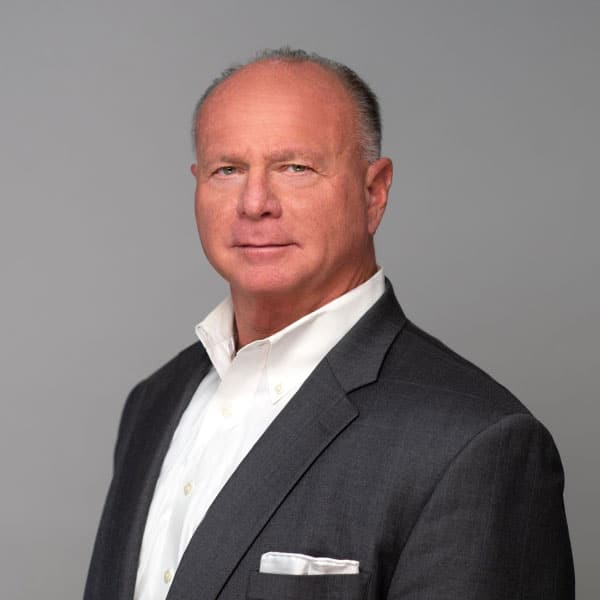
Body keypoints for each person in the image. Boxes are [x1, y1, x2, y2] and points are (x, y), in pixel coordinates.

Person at [84, 48, 574, 600]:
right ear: (196, 184)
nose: (254, 202)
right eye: (228, 170)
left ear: (374, 192)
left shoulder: (474, 444)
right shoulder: (153, 403)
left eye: (295, 168)